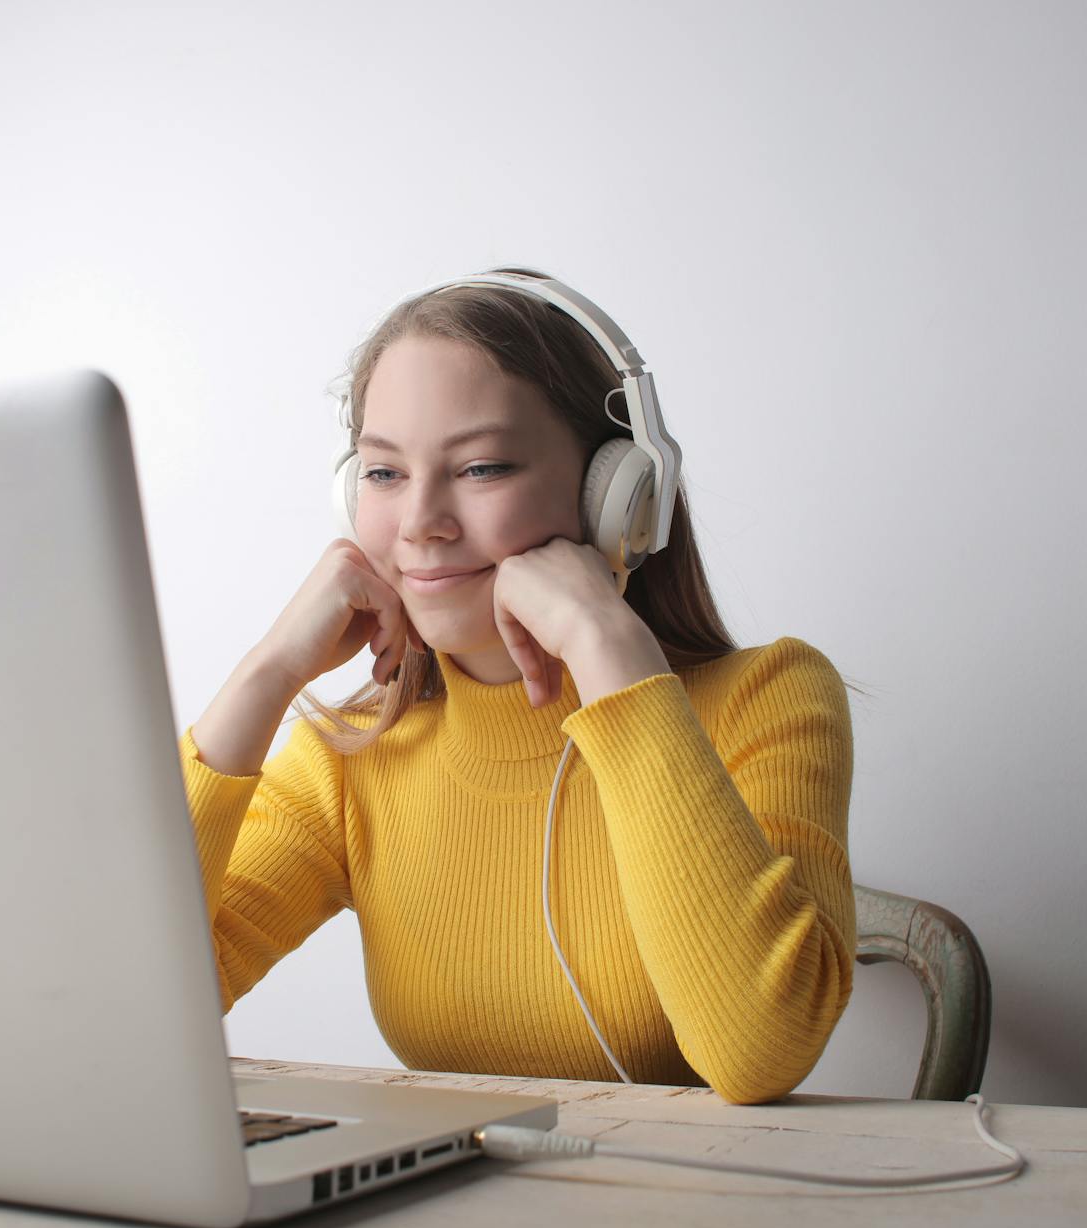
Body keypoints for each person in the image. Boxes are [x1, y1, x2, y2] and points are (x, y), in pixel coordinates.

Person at [181, 267, 857, 1105]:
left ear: (616, 496)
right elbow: (127, 1007)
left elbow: (760, 1051)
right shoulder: (351, 758)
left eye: (481, 468)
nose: (422, 521)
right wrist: (267, 673)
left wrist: (608, 646)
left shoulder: (771, 698)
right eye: (384, 473)